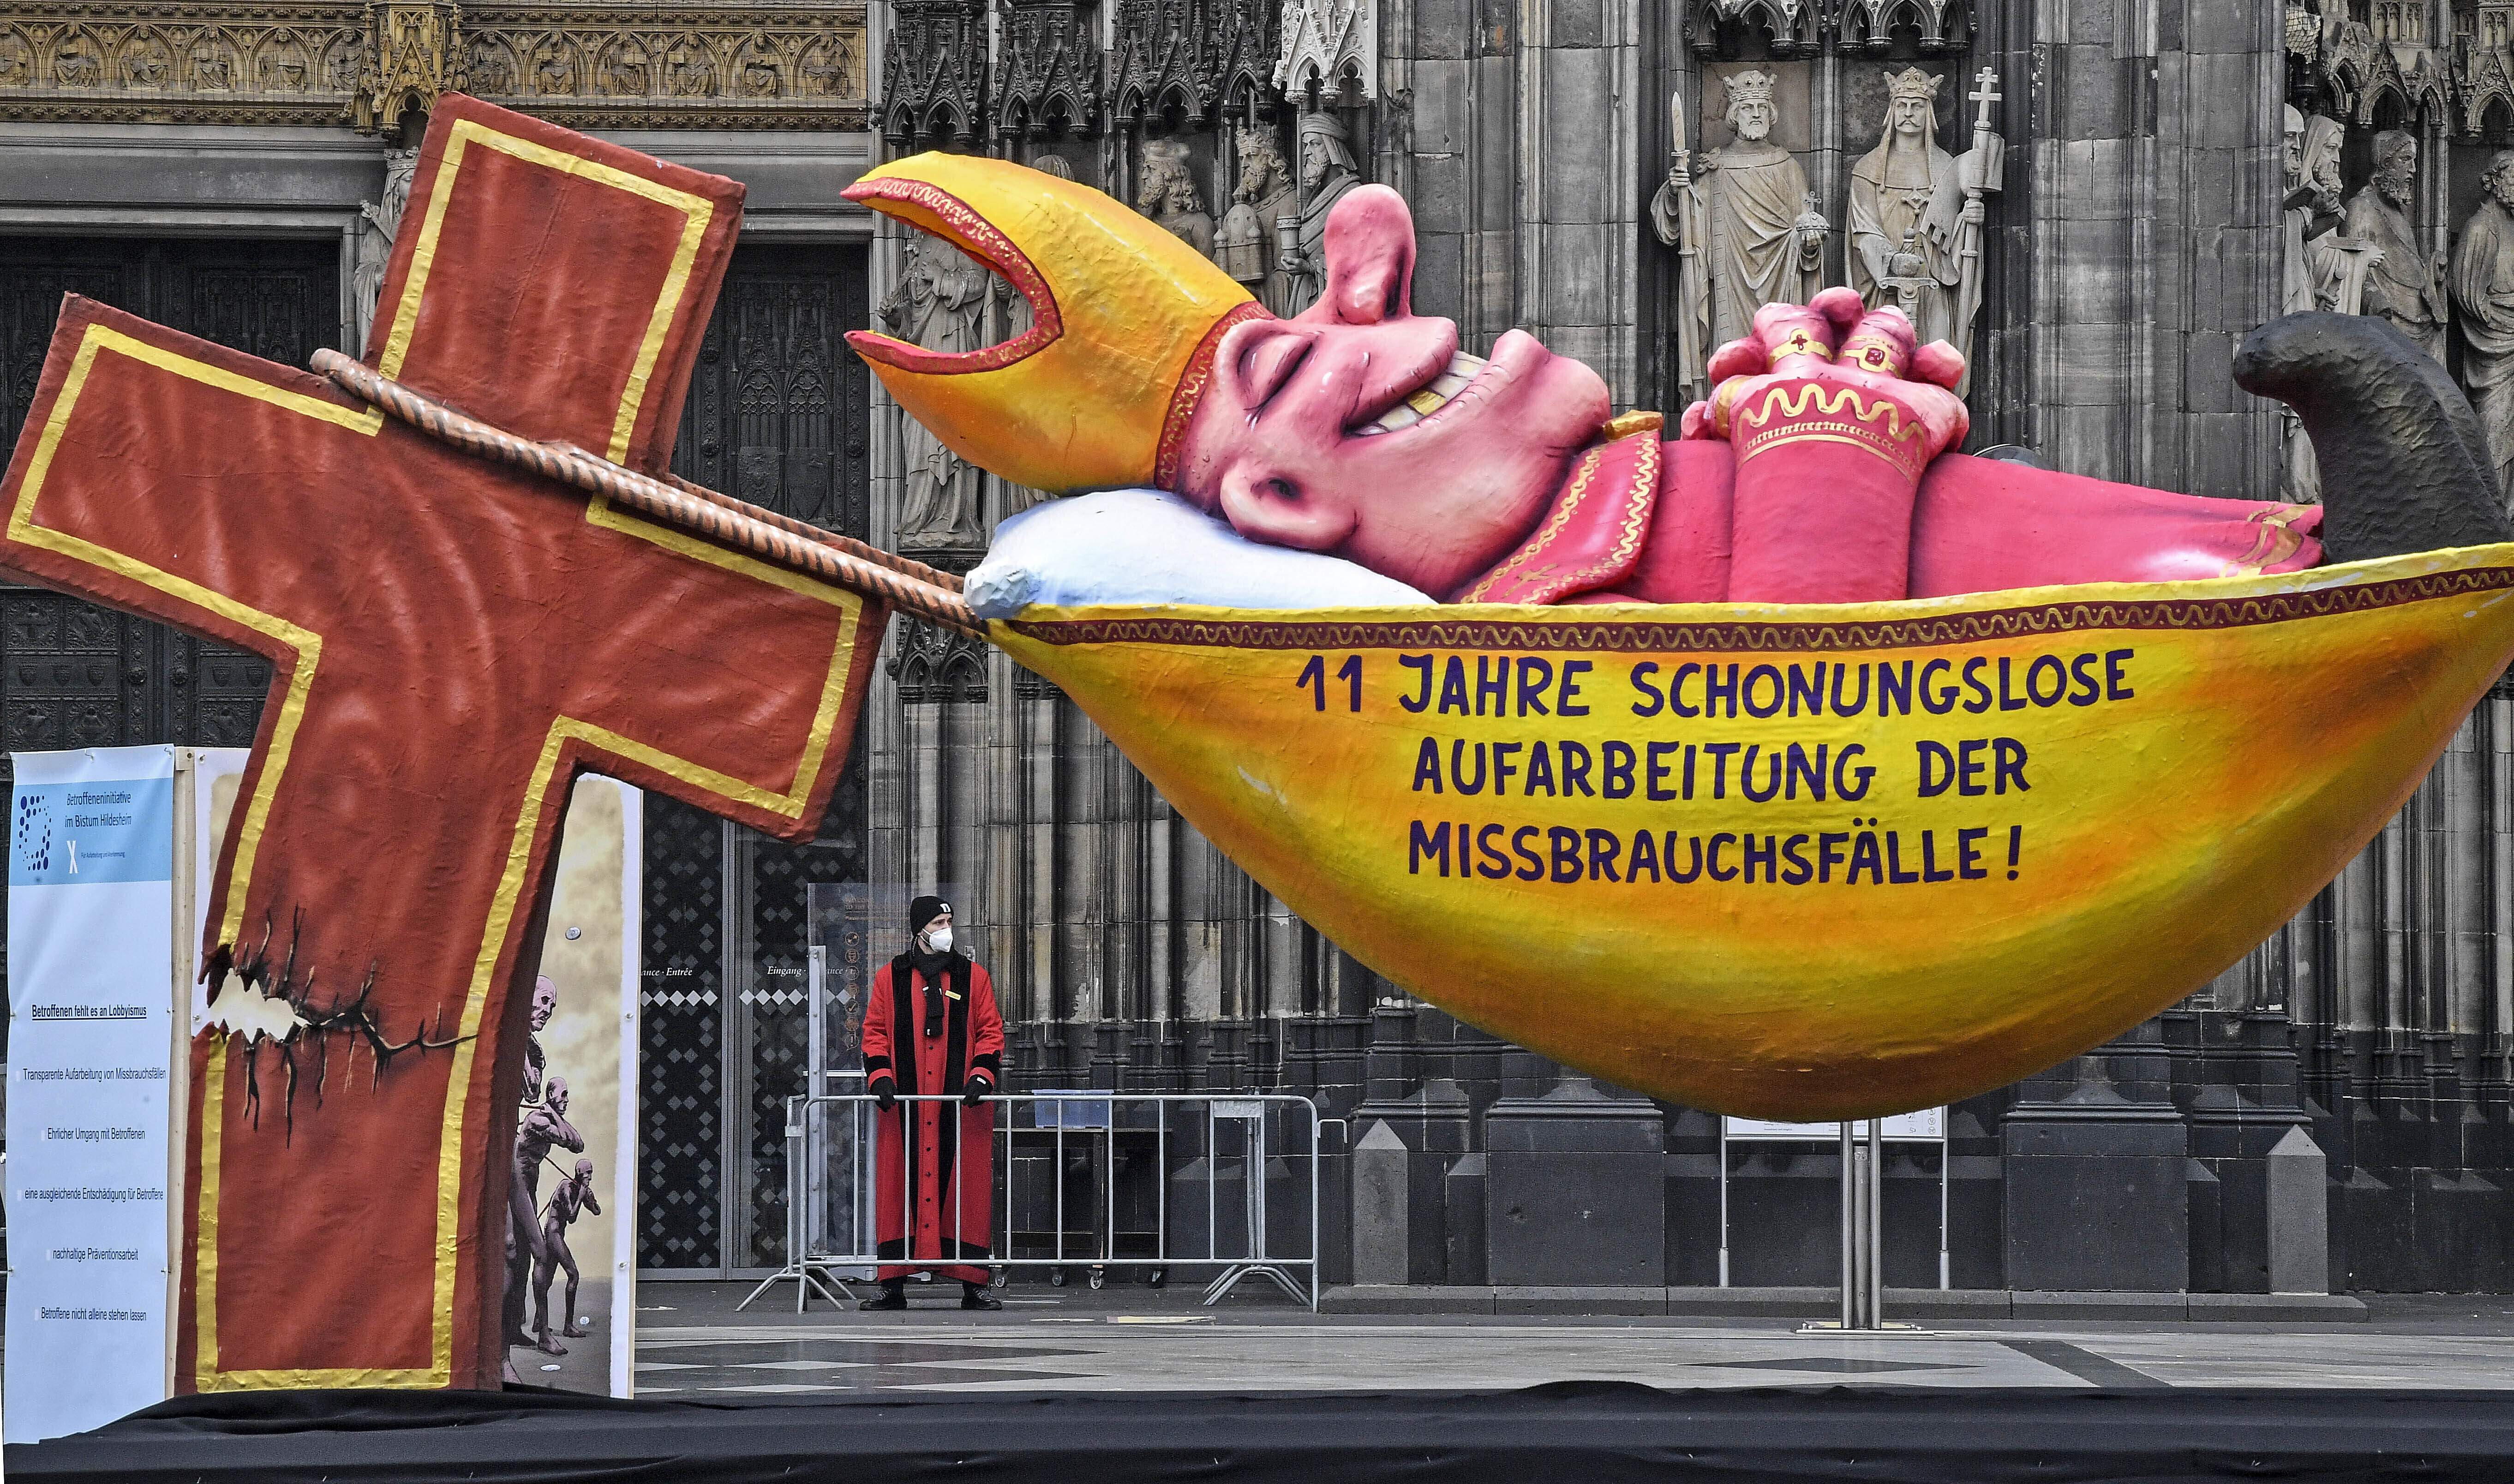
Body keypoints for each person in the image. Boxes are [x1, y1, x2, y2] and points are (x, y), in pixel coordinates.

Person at [844, 154, 2509, 610]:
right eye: (1307, 347)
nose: (1391, 297)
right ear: (1282, 502)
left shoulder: (1592, 494)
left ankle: (2313, 558)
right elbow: (1807, 664)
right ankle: (2325, 573)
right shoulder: (1537, 596)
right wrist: (1829, 437)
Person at [860, 896, 1005, 1311]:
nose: (947, 929)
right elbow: (874, 1033)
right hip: (904, 1107)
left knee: (967, 1196)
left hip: (961, 1108)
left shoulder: (973, 977)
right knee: (896, 1195)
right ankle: (892, 1286)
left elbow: (991, 1031)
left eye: (949, 921)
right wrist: (882, 1077)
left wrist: (981, 1075)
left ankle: (974, 1284)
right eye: (940, 922)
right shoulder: (890, 978)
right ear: (920, 929)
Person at [1652, 69, 1825, 397]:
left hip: (1781, 283)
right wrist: (1676, 193)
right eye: (1748, 108)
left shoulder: (1787, 166)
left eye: (1762, 108)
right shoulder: (1716, 168)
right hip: (1731, 283)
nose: (1756, 114)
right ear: (1735, 114)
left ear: (1771, 114)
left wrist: (1809, 243)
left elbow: (1804, 225)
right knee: (1732, 364)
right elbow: (1684, 227)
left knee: (1780, 361)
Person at [532, 1157, 600, 1356]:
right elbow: (571, 1217)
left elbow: (597, 1212)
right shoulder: (565, 1187)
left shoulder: (579, 1189)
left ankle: (539, 1322)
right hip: (552, 1234)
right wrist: (580, 1195)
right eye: (587, 1173)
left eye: (591, 1173)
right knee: (574, 1275)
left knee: (547, 1281)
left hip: (557, 1234)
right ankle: (568, 1326)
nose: (590, 1177)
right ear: (579, 1173)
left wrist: (591, 1199)